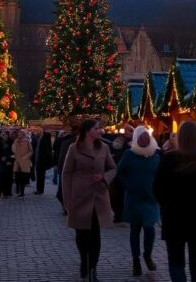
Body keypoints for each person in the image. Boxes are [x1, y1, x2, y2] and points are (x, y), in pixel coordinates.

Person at [154, 120, 196, 282]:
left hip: (174, 218)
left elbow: (158, 189)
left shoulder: (169, 159)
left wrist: (166, 206)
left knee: (176, 263)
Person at [63, 118, 117, 282]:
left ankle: (93, 267)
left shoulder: (104, 148)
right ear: (87, 131)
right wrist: (67, 200)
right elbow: (66, 174)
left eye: (99, 128)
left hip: (98, 196)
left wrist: (104, 177)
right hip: (80, 196)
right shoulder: (74, 148)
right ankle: (83, 261)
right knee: (81, 234)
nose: (99, 131)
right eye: (96, 128)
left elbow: (113, 168)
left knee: (95, 234)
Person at [117, 125, 162, 276]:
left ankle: (147, 254)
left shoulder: (156, 155)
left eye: (146, 137)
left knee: (150, 228)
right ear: (136, 139)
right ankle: (136, 260)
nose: (144, 140)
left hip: (151, 199)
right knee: (135, 230)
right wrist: (128, 185)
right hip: (134, 198)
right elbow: (120, 172)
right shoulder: (129, 154)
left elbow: (162, 175)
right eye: (141, 137)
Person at [109, 133, 128, 222]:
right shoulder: (109, 151)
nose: (117, 142)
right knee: (112, 198)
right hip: (111, 180)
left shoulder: (125, 153)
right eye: (116, 140)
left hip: (121, 180)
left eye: (120, 141)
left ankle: (119, 215)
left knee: (120, 198)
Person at [13, 129, 34, 197]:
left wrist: (26, 156)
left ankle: (22, 192)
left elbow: (31, 151)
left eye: (22, 133)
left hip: (24, 162)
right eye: (19, 133)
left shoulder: (27, 141)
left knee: (23, 178)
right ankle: (18, 189)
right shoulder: (15, 141)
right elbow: (13, 149)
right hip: (17, 161)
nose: (20, 135)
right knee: (17, 177)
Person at [34, 130, 55, 194]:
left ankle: (40, 190)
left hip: (40, 162)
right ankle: (39, 189)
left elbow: (44, 153)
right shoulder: (42, 140)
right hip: (39, 161)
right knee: (40, 176)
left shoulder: (43, 141)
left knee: (40, 176)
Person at [1, 129, 15, 197]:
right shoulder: (0, 143)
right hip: (2, 163)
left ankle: (9, 191)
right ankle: (4, 192)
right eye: (3, 135)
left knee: (9, 177)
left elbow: (12, 152)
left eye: (5, 135)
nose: (4, 136)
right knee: (3, 178)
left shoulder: (10, 142)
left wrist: (8, 158)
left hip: (9, 162)